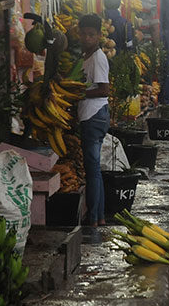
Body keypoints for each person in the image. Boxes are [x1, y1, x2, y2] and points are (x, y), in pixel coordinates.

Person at [78, 14, 111, 227]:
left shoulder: (98, 57)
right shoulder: (86, 56)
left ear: (99, 35)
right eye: (84, 34)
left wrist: (80, 94)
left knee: (93, 170)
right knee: (93, 169)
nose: (87, 38)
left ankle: (94, 217)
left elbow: (103, 89)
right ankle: (98, 216)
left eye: (91, 35)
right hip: (91, 115)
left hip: (94, 116)